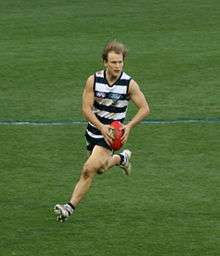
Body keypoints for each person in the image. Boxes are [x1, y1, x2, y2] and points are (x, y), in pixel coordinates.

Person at [54, 40, 150, 222]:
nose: (117, 66)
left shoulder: (129, 84)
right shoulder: (94, 80)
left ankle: (69, 207)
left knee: (88, 169)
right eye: (113, 62)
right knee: (101, 168)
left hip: (112, 135)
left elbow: (145, 108)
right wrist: (100, 126)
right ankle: (122, 159)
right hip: (95, 130)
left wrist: (128, 126)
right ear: (105, 62)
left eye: (120, 62)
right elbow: (86, 109)